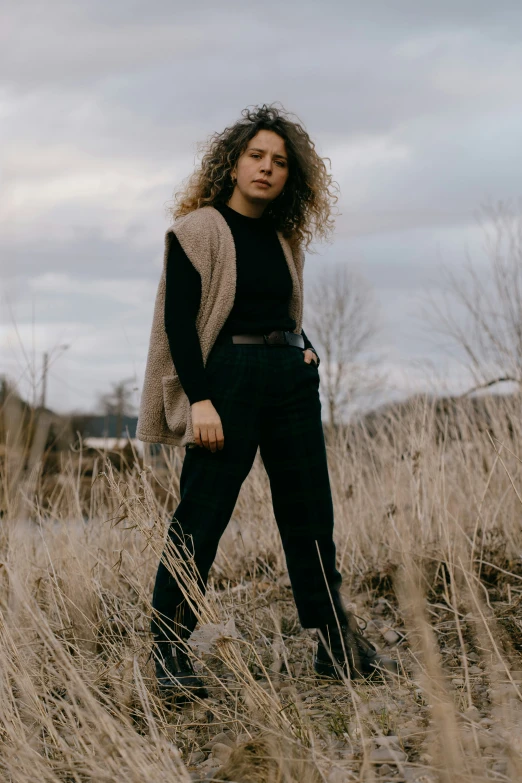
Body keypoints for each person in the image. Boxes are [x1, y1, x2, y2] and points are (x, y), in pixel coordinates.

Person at [137, 103, 397, 697]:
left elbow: (285, 310)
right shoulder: (197, 230)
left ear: (291, 175)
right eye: (256, 156)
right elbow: (179, 323)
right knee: (200, 519)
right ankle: (169, 653)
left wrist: (303, 348)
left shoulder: (285, 239)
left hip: (289, 378)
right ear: (233, 163)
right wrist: (200, 401)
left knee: (310, 515)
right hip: (227, 380)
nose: (267, 168)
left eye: (279, 162)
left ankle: (335, 643)